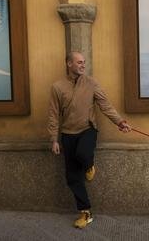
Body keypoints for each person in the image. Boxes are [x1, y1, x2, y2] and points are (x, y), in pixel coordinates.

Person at [48, 51, 131, 229]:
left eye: (84, 62)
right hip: (67, 134)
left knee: (83, 154)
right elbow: (53, 115)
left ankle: (89, 165)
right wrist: (54, 139)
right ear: (69, 64)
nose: (83, 65)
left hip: (87, 130)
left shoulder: (92, 83)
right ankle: (86, 212)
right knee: (72, 177)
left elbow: (105, 105)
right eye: (79, 62)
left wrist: (120, 122)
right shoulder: (57, 87)